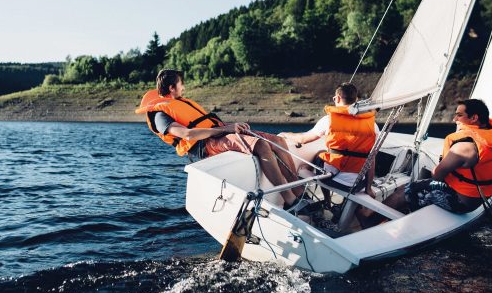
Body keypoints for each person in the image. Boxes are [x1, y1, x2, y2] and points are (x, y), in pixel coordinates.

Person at [136, 69, 309, 211]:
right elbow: (187, 134)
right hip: (205, 144)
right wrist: (225, 129)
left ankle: (299, 190)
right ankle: (291, 201)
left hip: (219, 132)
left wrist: (229, 126)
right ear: (172, 87)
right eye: (181, 84)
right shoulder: (159, 114)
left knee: (278, 141)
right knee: (261, 145)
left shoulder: (179, 102)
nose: (184, 87)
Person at [405, 98, 492, 214]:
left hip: (460, 202)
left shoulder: (463, 147)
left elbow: (437, 175)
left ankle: (386, 219)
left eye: (459, 115)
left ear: (474, 118)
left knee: (405, 190)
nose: (454, 119)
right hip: (482, 197)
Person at [280, 83, 378, 198]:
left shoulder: (329, 120)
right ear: (356, 100)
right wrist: (368, 188)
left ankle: (326, 201)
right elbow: (371, 159)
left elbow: (303, 139)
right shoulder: (372, 124)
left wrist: (286, 134)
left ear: (337, 98)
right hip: (358, 184)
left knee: (320, 154)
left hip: (333, 179)